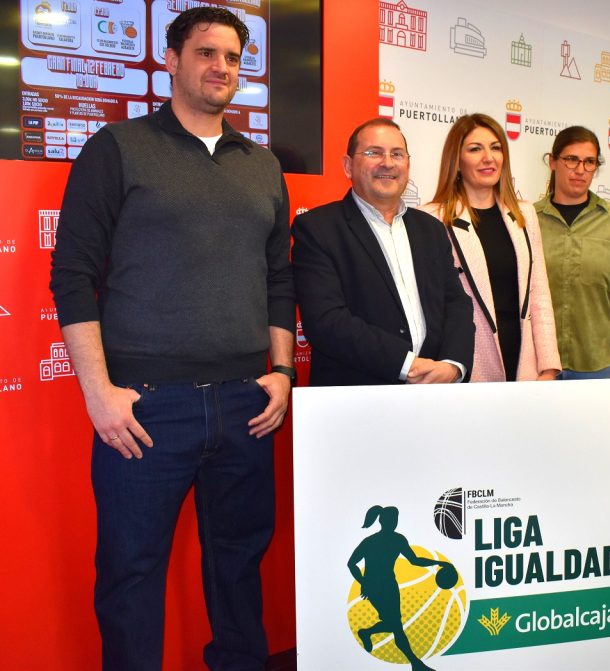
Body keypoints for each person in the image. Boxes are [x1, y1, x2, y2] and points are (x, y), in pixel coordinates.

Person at [49, 8, 295, 670]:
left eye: (234, 58)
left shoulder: (262, 165)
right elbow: (72, 276)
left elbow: (278, 279)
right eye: (207, 53)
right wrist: (98, 393)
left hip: (249, 405)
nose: (223, 68)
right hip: (148, 409)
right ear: (172, 59)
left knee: (240, 574)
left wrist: (280, 372)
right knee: (131, 580)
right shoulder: (118, 148)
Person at [291, 118, 474, 386]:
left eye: (397, 154)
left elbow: (456, 302)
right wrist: (407, 365)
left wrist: (453, 365)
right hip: (357, 401)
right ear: (348, 166)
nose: (387, 162)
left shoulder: (431, 229)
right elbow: (326, 321)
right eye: (373, 153)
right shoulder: (318, 229)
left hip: (434, 395)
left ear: (407, 166)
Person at [421, 113, 560, 381]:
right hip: (466, 363)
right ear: (457, 162)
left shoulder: (524, 214)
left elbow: (539, 293)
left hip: (524, 362)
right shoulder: (432, 218)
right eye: (475, 149)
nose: (489, 157)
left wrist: (549, 366)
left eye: (496, 148)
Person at [535, 126, 610, 380]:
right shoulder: (529, 220)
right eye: (571, 159)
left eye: (589, 162)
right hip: (539, 365)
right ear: (553, 162)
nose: (580, 170)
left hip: (597, 365)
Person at [347, 506, 452, 671]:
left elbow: (414, 560)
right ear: (384, 521)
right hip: (374, 587)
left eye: (395, 520)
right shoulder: (371, 541)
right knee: (396, 626)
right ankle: (416, 664)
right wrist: (364, 582)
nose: (394, 523)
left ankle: (366, 633)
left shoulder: (397, 540)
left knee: (394, 624)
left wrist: (437, 562)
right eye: (392, 520)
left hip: (390, 586)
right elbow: (351, 563)